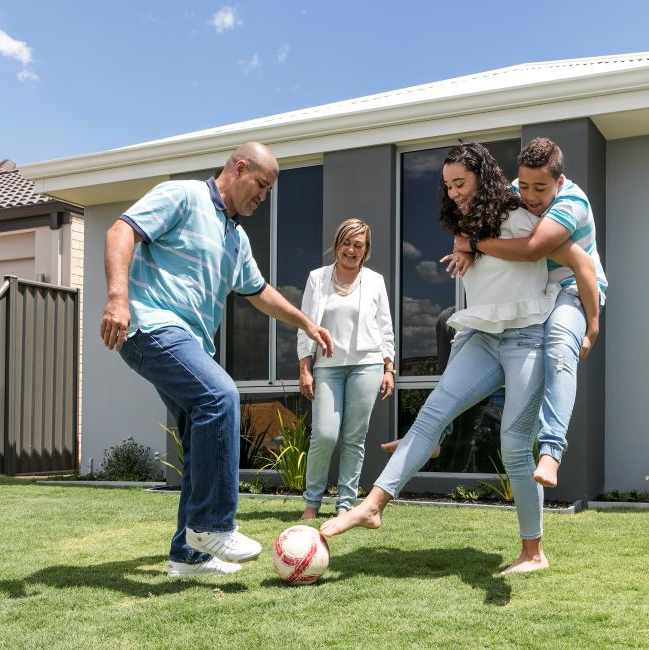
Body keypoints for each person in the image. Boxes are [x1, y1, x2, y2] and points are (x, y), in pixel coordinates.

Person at [321, 143, 598, 574]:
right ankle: (372, 505)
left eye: (460, 184)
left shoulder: (520, 219)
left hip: (526, 337)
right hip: (483, 336)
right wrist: (466, 241)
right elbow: (470, 239)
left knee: (513, 445)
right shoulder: (467, 223)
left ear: (481, 179)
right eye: (447, 185)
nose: (453, 193)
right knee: (431, 413)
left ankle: (533, 552)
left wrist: (593, 322)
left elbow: (578, 260)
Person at [100, 142, 334, 578]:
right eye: (260, 187)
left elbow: (259, 292)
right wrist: (118, 298)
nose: (262, 198)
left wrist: (306, 322)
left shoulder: (235, 237)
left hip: (188, 342)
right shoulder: (182, 197)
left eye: (268, 192)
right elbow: (120, 231)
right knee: (220, 395)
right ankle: (212, 526)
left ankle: (187, 557)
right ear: (239, 168)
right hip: (151, 325)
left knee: (200, 440)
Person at [451, 137, 606, 489]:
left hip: (573, 291)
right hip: (537, 295)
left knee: (559, 342)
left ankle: (551, 452)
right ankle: (434, 435)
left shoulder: (572, 202)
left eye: (540, 187)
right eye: (523, 185)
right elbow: (472, 215)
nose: (530, 195)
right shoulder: (514, 192)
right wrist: (462, 245)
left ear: (559, 182)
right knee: (465, 333)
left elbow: (533, 249)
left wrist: (593, 326)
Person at [297, 219, 395, 519]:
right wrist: (305, 367)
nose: (351, 249)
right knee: (325, 435)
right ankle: (312, 502)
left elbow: (385, 327)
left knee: (354, 437)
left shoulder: (375, 280)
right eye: (347, 243)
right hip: (328, 366)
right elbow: (306, 325)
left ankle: (344, 505)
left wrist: (389, 367)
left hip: (367, 365)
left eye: (359, 245)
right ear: (337, 244)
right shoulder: (318, 278)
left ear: (366, 250)